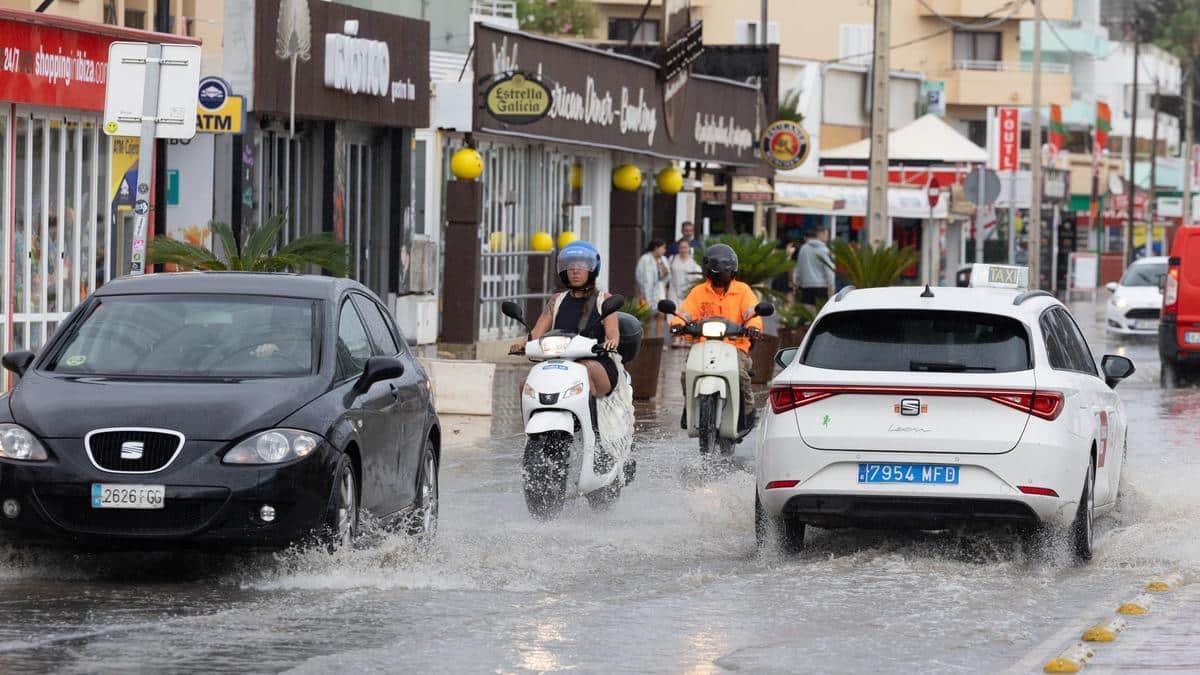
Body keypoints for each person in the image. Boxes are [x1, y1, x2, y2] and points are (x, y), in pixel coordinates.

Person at [511, 241, 621, 397]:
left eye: (581, 265)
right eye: (570, 266)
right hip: (558, 363)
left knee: (584, 370)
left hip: (596, 362)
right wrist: (523, 343)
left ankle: (591, 421)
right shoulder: (556, 300)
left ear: (592, 269)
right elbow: (536, 333)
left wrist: (612, 342)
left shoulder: (604, 299)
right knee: (525, 384)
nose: (575, 270)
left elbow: (613, 331)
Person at [671, 243, 762, 430]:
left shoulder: (743, 290)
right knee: (686, 374)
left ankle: (748, 410)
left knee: (740, 374)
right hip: (704, 345)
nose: (722, 275)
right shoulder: (698, 292)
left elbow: (752, 313)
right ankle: (689, 407)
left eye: (726, 270)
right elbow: (685, 312)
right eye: (719, 271)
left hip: (735, 346)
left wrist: (753, 327)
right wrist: (677, 324)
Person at [668, 238, 701, 347]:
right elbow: (667, 276)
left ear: (689, 248)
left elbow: (698, 277)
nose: (683, 249)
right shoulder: (672, 259)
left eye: (685, 247)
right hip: (673, 291)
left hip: (688, 293)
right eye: (681, 247)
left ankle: (687, 338)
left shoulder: (693, 261)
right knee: (674, 315)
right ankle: (677, 338)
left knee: (687, 316)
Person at [636, 239, 669, 336]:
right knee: (647, 316)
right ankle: (646, 340)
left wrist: (662, 267)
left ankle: (659, 340)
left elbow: (666, 276)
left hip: (659, 291)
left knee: (661, 315)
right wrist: (641, 292)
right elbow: (639, 276)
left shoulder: (663, 259)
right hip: (646, 291)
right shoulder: (645, 259)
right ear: (656, 248)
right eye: (663, 248)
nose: (664, 250)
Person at [794, 227, 835, 305]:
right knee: (820, 313)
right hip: (821, 287)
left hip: (805, 287)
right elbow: (828, 269)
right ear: (820, 234)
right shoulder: (824, 250)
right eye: (826, 234)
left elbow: (799, 268)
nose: (827, 237)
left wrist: (798, 282)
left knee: (807, 313)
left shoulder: (803, 248)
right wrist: (831, 285)